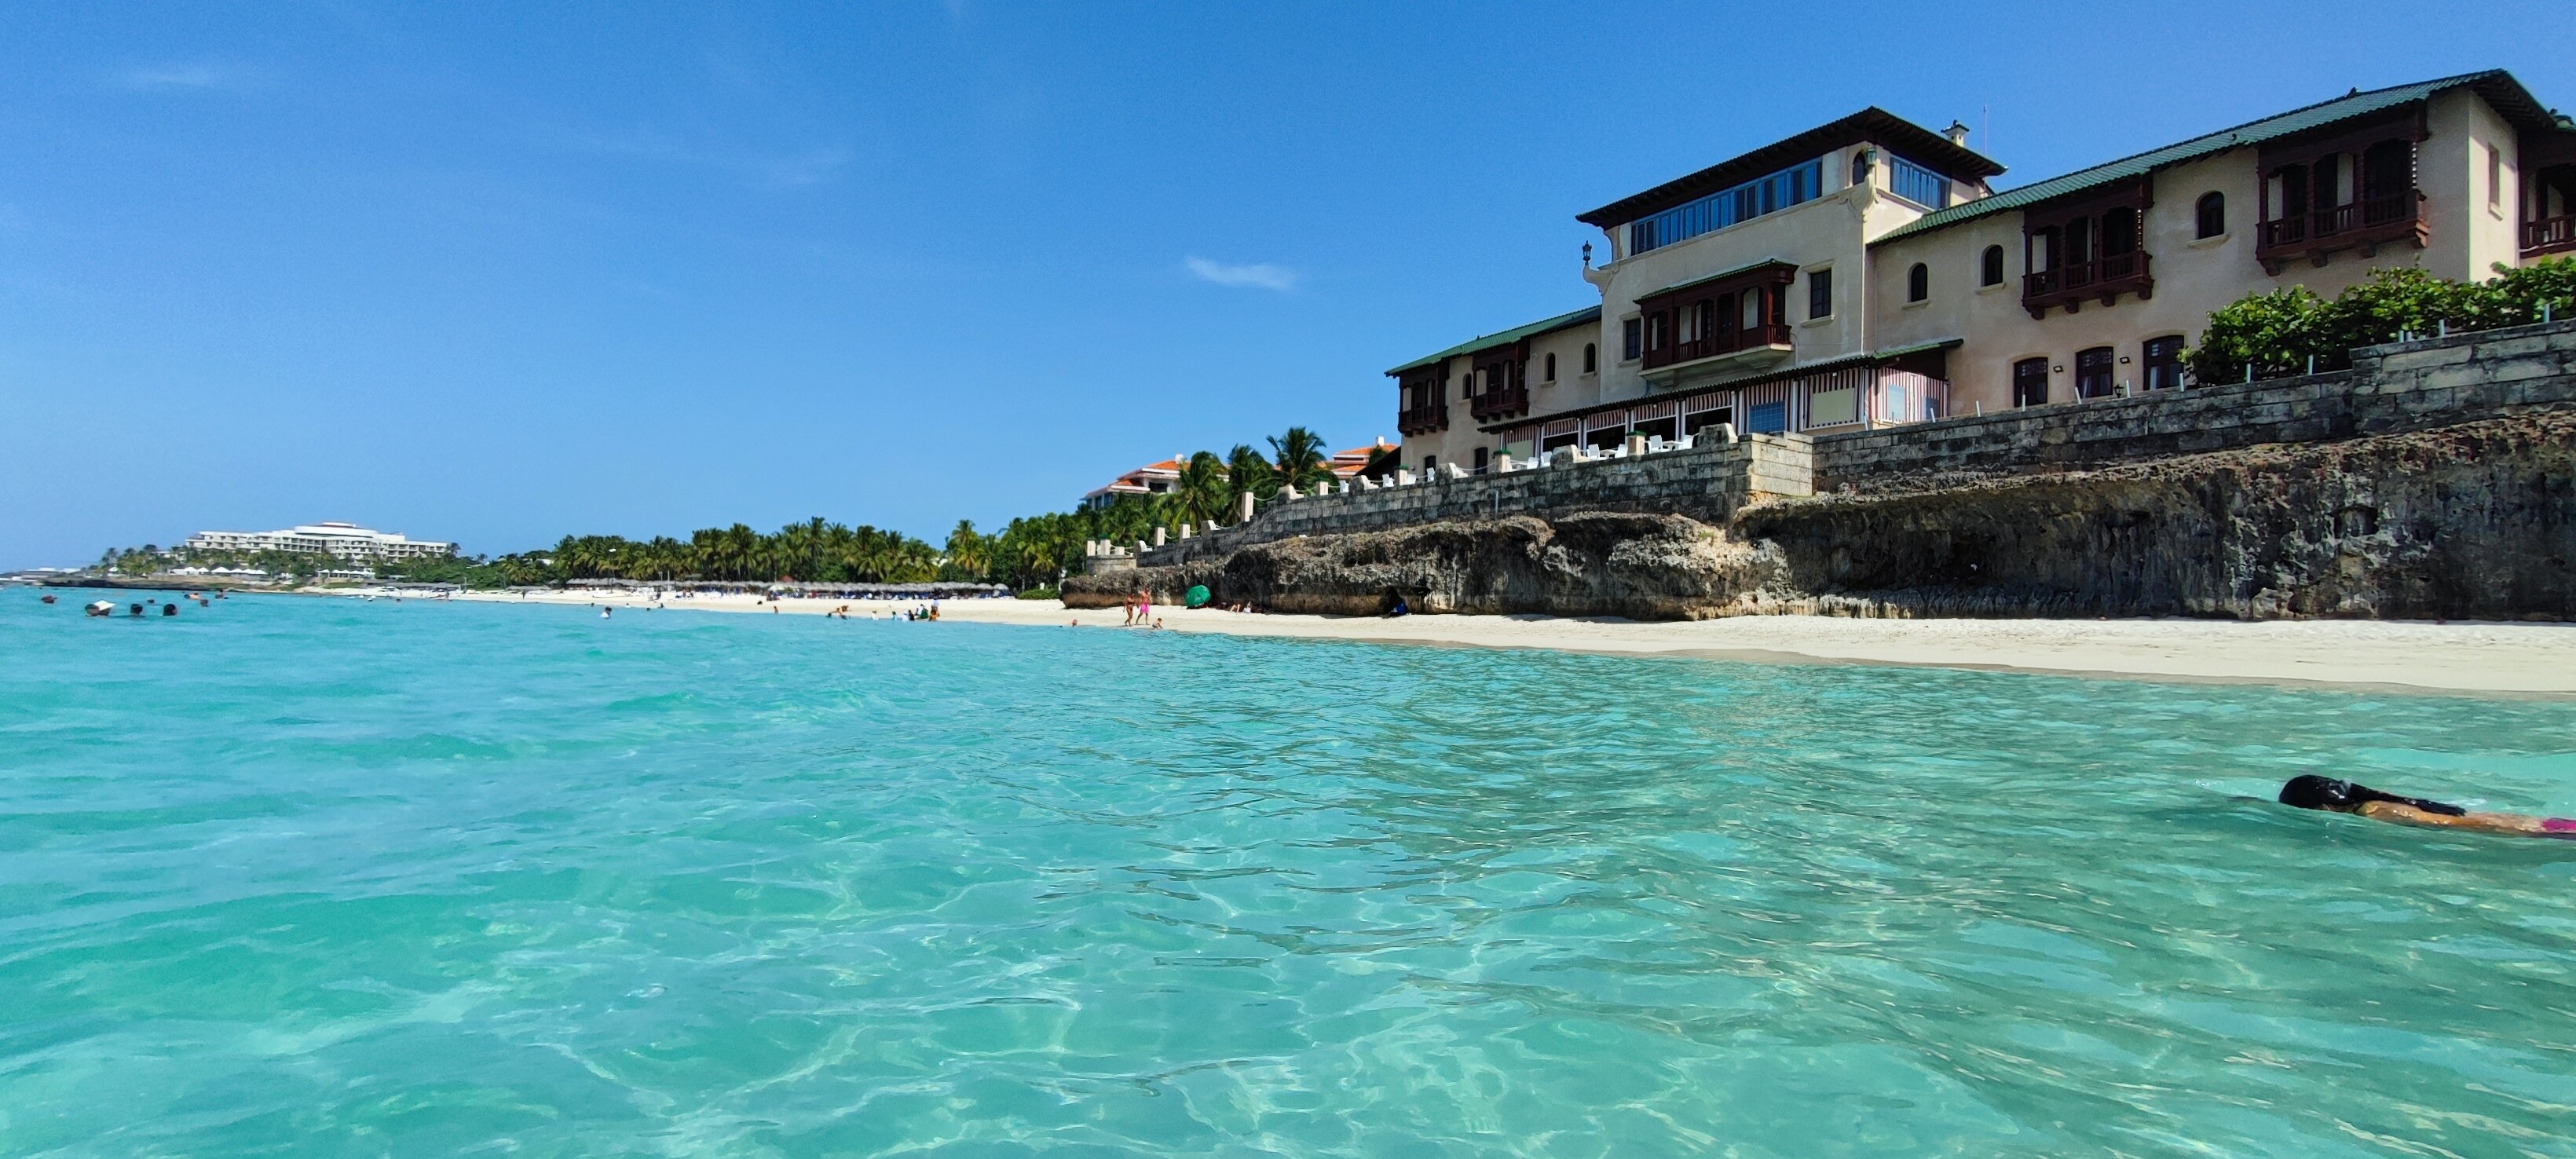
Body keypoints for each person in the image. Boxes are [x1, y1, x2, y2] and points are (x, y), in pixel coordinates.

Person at [2278, 775, 2576, 838]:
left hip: (2530, 829)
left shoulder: (2375, 811)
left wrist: (2532, 834)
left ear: (2321, 808)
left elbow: (2450, 823)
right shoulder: (2369, 805)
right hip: (2530, 823)